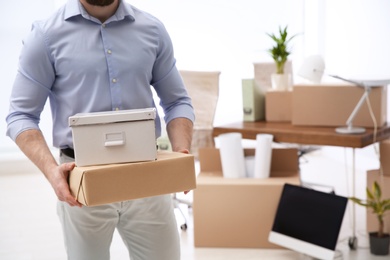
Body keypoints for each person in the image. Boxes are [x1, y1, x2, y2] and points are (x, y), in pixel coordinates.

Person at [6, 0, 194, 259]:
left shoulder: (152, 29)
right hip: (81, 181)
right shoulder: (45, 36)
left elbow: (176, 101)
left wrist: (181, 151)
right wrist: (52, 172)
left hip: (148, 178)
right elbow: (21, 116)